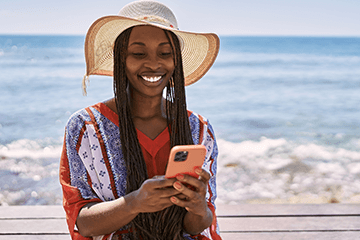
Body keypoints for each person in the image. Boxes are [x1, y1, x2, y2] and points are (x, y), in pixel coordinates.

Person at [59, 1, 220, 239]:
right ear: (120, 59)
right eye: (138, 53)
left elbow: (198, 225)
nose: (154, 63)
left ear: (176, 61)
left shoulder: (198, 129)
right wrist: (134, 203)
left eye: (165, 53)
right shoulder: (86, 127)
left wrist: (198, 207)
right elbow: (82, 224)